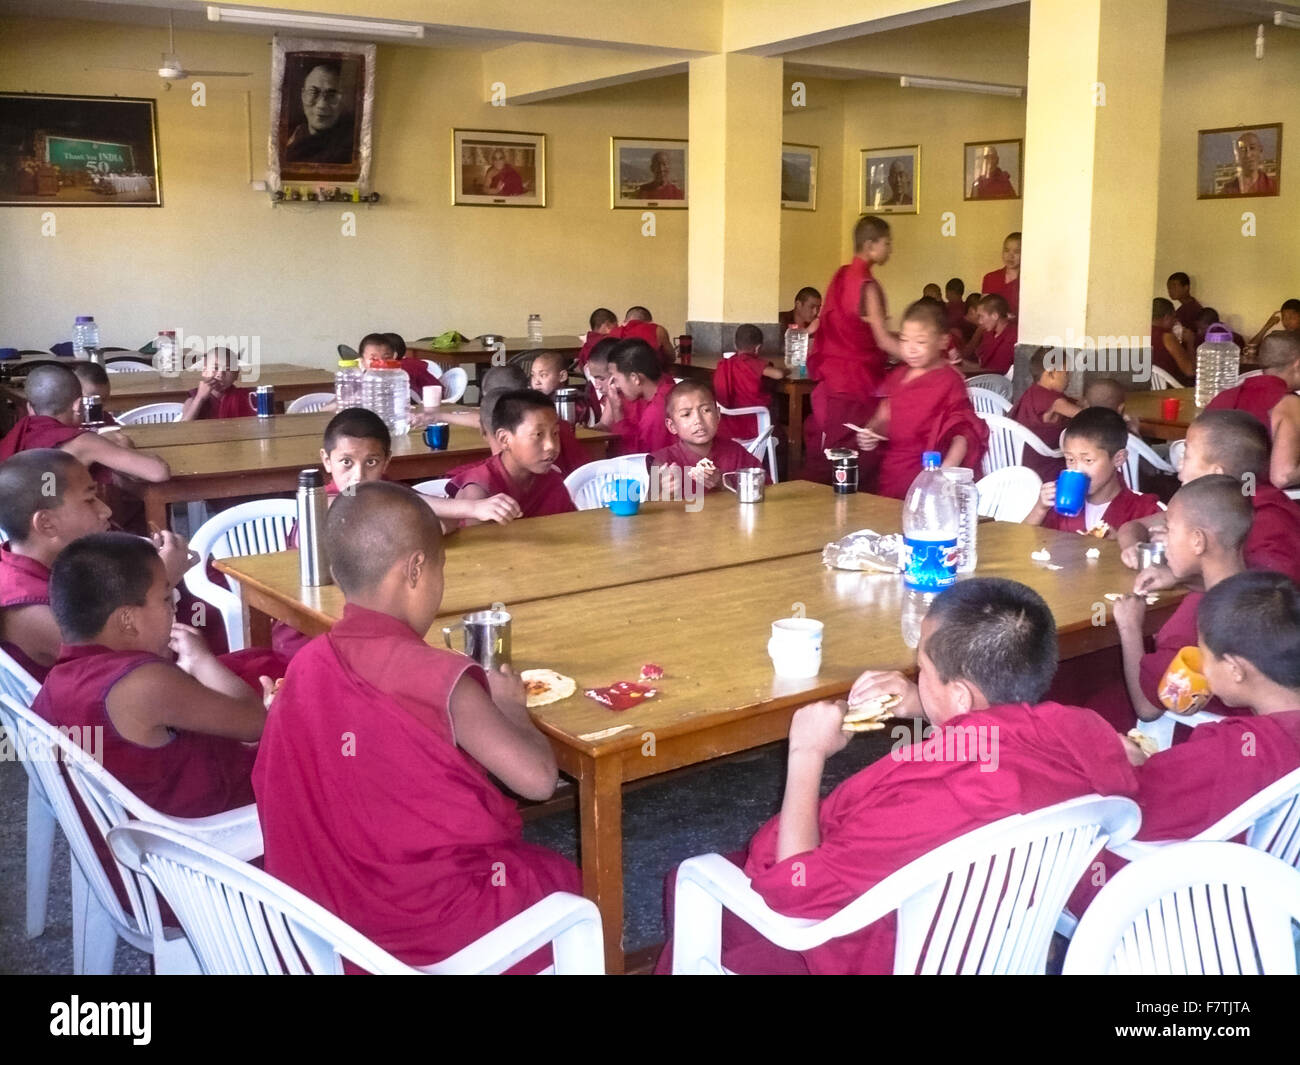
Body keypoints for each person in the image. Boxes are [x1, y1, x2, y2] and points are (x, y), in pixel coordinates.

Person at [657, 578, 1138, 974]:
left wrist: (805, 753)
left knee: (691, 877)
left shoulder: (935, 789)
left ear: (963, 696)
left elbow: (796, 891)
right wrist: (930, 707)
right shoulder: (1084, 733)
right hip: (999, 938)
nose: (914, 675)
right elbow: (1004, 737)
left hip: (896, 947)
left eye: (922, 668)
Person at [252, 482, 579, 972]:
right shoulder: (440, 678)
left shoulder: (306, 665)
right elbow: (535, 780)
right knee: (564, 880)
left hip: (315, 926)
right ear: (416, 570)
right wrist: (512, 707)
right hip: (428, 936)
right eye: (441, 570)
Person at [34, 533, 269, 822]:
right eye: (166, 598)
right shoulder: (143, 681)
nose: (174, 610)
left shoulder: (56, 680)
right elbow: (255, 723)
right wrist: (201, 660)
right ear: (127, 620)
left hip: (130, 840)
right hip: (205, 844)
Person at [1128, 571, 1300, 840]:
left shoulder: (1232, 750)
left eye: (1203, 653)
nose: (1202, 666)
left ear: (1235, 669)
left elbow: (1138, 810)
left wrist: (1134, 763)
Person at [1110, 475, 1251, 728]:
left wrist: (1129, 627)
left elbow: (1147, 707)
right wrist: (1179, 579)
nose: (1163, 538)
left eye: (1170, 529)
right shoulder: (1261, 587)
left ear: (1198, 541)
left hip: (1205, 733)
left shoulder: (1199, 618)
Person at [1116, 410, 1300, 586]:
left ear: (1216, 474)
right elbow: (1132, 526)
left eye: (1186, 456)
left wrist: (1181, 574)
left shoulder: (1266, 517)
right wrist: (1134, 548)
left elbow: (1267, 592)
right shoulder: (1206, 503)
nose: (1179, 464)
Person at [854, 300, 987, 499]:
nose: (911, 349)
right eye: (905, 340)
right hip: (894, 470)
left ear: (943, 341)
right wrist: (869, 434)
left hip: (928, 472)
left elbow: (963, 435)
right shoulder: (899, 375)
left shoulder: (950, 380)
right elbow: (883, 417)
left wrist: (941, 478)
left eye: (921, 342)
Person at [0, 451, 112, 679]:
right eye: (89, 500)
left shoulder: (54, 559)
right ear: (47, 524)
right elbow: (122, 659)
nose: (106, 511)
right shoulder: (28, 608)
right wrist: (160, 579)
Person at [804, 215, 897, 482]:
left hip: (835, 377)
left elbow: (849, 326)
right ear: (870, 246)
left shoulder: (842, 275)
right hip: (858, 380)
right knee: (858, 452)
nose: (890, 249)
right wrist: (927, 357)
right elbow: (882, 341)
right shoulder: (867, 286)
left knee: (838, 450)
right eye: (886, 243)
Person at [0, 364, 170, 485]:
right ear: (78, 405)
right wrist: (124, 446)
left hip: (15, 527)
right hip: (61, 529)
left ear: (30, 408)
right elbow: (158, 472)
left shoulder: (19, 431)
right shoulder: (84, 443)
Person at [1024, 407, 1160, 537]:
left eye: (1088, 460)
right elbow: (1019, 544)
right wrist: (1040, 509)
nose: (1077, 469)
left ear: (1118, 458)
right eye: (1070, 459)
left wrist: (1120, 542)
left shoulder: (1144, 510)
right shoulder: (1059, 506)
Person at [446, 389, 576, 521]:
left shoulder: (552, 481)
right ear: (504, 439)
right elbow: (475, 542)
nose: (551, 445)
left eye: (555, 433)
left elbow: (571, 527)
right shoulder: (479, 491)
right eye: (538, 434)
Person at [1206, 331, 1300, 489]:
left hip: (1210, 495)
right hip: (1255, 502)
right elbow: (1282, 476)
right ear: (1297, 365)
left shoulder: (1225, 396)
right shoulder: (1288, 403)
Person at [649, 381, 767, 500]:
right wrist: (666, 493)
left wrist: (722, 483)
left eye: (706, 410)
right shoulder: (663, 462)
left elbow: (762, 493)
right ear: (672, 426)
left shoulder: (736, 453)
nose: (698, 420)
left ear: (718, 415)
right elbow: (647, 511)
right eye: (686, 414)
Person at [1008, 346, 1081, 481]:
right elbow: (1085, 416)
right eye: (1066, 373)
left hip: (1021, 459)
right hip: (1043, 465)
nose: (1069, 379)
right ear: (1051, 373)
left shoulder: (1032, 392)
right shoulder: (1054, 401)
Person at [597, 338, 676, 455]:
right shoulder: (669, 388)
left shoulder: (656, 412)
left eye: (616, 379)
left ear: (635, 378)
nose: (616, 386)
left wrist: (617, 412)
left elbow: (638, 458)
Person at [713, 324, 785, 441]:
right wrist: (786, 370)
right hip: (752, 421)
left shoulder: (725, 364)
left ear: (735, 345)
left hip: (727, 423)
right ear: (758, 348)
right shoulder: (751, 363)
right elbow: (778, 374)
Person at [527, 350, 591, 476]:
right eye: (533, 375)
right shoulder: (535, 404)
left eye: (543, 375)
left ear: (562, 376)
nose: (536, 381)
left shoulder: (576, 402)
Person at [285, 60, 355, 166]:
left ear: (343, 100)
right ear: (303, 96)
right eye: (313, 92)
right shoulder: (292, 139)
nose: (321, 105)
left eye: (332, 95)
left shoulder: (351, 147)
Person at [180, 347, 253, 421]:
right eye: (215, 368)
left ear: (236, 374)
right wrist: (199, 398)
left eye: (228, 369)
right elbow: (183, 429)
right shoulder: (193, 399)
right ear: (204, 371)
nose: (220, 374)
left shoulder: (245, 397)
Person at [958, 294, 1017, 375]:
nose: (980, 322)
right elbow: (983, 366)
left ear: (995, 316)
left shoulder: (1012, 337)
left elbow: (995, 371)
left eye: (982, 316)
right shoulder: (988, 334)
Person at [1150, 298, 1195, 385]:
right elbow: (1190, 371)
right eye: (1174, 317)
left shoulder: (1143, 332)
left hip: (1152, 386)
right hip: (1173, 386)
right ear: (1167, 317)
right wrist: (1190, 342)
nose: (1175, 321)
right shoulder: (1167, 337)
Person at [1218, 131, 1277, 197]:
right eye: (1243, 149)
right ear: (1237, 154)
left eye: (1252, 148)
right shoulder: (1227, 190)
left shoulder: (1273, 186)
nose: (1248, 155)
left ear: (1260, 151)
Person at [621, 306, 676, 371]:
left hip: (622, 377)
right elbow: (671, 357)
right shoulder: (657, 330)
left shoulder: (615, 331)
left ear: (624, 321)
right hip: (651, 376)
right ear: (650, 322)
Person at [979, 232, 1020, 316]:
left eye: (1016, 251)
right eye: (1006, 250)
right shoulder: (990, 278)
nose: (1010, 256)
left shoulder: (1028, 280)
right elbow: (984, 312)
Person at [70, 361, 119, 427]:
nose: (100, 406)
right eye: (94, 400)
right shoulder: (64, 421)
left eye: (104, 399)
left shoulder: (104, 418)